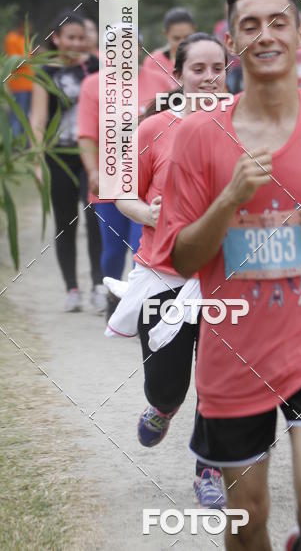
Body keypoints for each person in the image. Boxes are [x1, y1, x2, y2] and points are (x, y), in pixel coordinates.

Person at [152, 0, 301, 551]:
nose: (265, 35)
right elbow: (181, 257)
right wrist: (228, 200)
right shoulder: (197, 137)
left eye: (278, 22)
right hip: (235, 352)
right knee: (247, 517)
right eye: (250, 25)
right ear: (232, 41)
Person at [110, 32, 228, 507]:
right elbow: (123, 194)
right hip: (164, 274)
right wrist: (148, 214)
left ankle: (209, 469)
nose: (209, 77)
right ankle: (162, 406)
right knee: (167, 382)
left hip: (225, 278)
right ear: (178, 75)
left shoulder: (245, 126)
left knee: (219, 382)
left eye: (217, 68)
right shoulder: (152, 128)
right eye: (197, 69)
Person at [29, 11, 103, 312]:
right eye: (70, 37)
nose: (76, 43)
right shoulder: (45, 73)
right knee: (65, 222)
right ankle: (72, 287)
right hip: (58, 157)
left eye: (81, 38)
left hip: (93, 156)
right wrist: (37, 162)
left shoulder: (96, 67)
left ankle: (99, 285)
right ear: (56, 39)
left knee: (97, 219)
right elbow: (38, 120)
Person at [77, 31, 144, 315]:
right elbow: (86, 135)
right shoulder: (93, 85)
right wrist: (93, 170)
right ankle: (113, 300)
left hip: (147, 182)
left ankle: (140, 306)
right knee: (114, 250)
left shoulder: (159, 81)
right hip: (110, 180)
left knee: (142, 248)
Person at [139, 7, 195, 111]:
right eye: (176, 38)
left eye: (187, 37)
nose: (182, 43)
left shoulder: (204, 59)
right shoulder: (154, 61)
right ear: (166, 34)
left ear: (194, 31)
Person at [3, 19, 33, 136]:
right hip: (19, 84)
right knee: (17, 115)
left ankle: (23, 141)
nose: (29, 30)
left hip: (29, 84)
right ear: (21, 26)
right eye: (27, 28)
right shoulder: (11, 39)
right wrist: (32, 58)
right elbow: (16, 61)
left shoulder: (25, 39)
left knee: (25, 116)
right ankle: (14, 141)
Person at [215, 2, 243, 94]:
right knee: (230, 87)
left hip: (243, 65)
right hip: (230, 66)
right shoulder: (221, 26)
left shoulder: (241, 24)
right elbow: (219, 45)